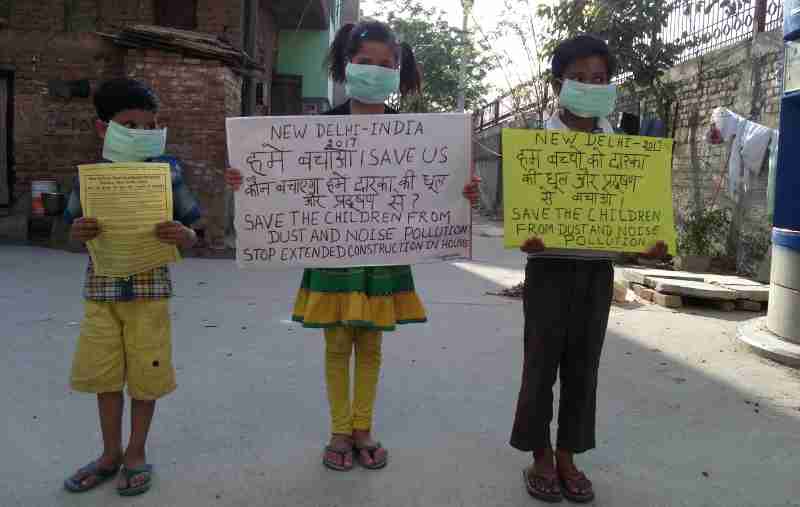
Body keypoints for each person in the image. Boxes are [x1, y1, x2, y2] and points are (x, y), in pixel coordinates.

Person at [226, 20, 480, 472]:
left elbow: (438, 188)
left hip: (383, 258)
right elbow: (285, 181)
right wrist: (248, 180)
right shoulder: (316, 131)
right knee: (337, 347)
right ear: (347, 65)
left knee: (372, 348)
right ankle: (339, 431)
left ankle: (363, 428)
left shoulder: (417, 137)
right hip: (333, 256)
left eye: (388, 64)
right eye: (366, 62)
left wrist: (465, 192)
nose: (376, 70)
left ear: (400, 72)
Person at [511, 35, 666, 504]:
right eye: (578, 78)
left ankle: (568, 456)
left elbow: (637, 218)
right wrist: (527, 238)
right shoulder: (535, 143)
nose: (589, 85)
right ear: (558, 82)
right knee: (540, 366)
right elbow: (523, 223)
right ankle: (539, 454)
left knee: (584, 368)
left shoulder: (622, 147)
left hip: (597, 274)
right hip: (550, 272)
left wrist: (650, 245)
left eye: (598, 78)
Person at [63, 78, 201, 496]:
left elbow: (194, 227)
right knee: (106, 378)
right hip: (101, 295)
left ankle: (136, 453)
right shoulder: (92, 178)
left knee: (146, 376)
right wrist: (78, 230)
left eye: (149, 125)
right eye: (130, 124)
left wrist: (185, 236)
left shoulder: (168, 172)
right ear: (104, 129)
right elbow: (69, 227)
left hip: (149, 295)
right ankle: (110, 454)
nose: (141, 133)